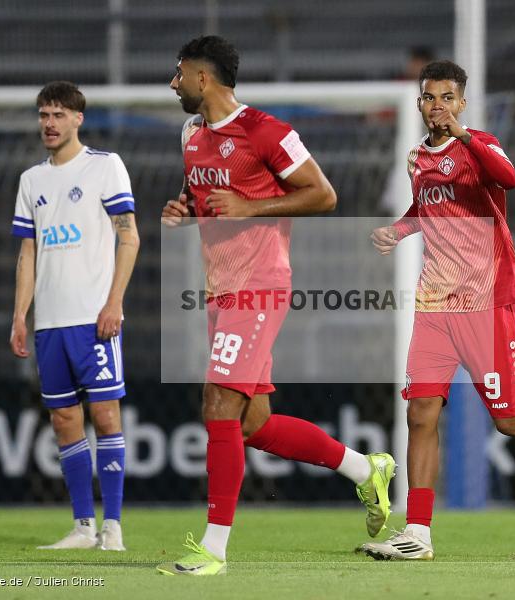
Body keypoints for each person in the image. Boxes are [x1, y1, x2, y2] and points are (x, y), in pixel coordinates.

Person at [157, 35, 395, 576]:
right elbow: (205, 196)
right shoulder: (191, 134)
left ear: (202, 78)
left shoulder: (267, 131)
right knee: (253, 425)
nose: (173, 83)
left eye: (179, 73)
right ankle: (366, 470)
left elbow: (323, 194)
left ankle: (213, 549)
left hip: (259, 285)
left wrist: (250, 207)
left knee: (218, 403)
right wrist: (186, 210)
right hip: (220, 288)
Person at [359, 61, 515, 561]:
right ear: (419, 103)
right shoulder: (417, 159)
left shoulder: (481, 144)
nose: (438, 106)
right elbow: (427, 211)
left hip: (484, 300)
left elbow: (509, 178)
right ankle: (418, 532)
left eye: (447, 97)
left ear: (462, 103)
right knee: (420, 412)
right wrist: (399, 230)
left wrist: (465, 137)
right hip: (435, 302)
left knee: (509, 418)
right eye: (430, 97)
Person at [9, 81, 140, 551]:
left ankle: (114, 527)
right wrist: (20, 315)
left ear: (78, 119)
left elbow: (129, 237)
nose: (49, 123)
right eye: (44, 115)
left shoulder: (105, 166)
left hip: (93, 317)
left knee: (105, 414)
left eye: (58, 115)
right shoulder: (32, 180)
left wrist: (114, 302)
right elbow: (28, 253)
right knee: (64, 419)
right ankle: (84, 527)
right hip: (50, 323)